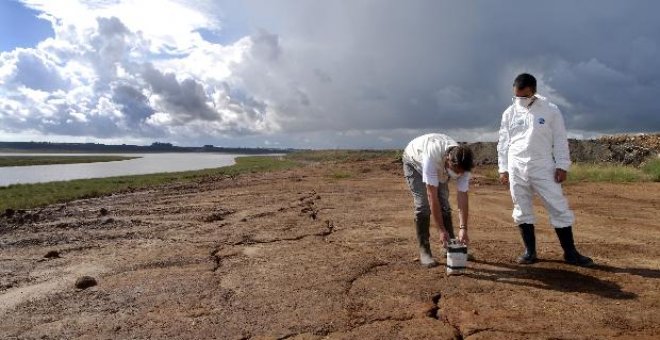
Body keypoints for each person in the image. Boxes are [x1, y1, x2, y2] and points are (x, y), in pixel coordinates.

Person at [497, 73, 594, 266]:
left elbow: (559, 139)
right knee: (521, 208)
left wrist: (562, 165)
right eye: (516, 96)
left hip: (542, 166)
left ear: (533, 91)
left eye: (523, 96)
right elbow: (503, 142)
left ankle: (570, 253)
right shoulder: (509, 112)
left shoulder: (550, 110)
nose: (520, 100)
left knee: (558, 206)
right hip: (517, 166)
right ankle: (530, 252)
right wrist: (503, 168)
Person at [402, 133, 474, 268]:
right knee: (422, 206)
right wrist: (441, 230)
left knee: (445, 204)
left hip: (439, 166)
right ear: (448, 160)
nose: (458, 175)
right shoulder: (432, 158)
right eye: (455, 171)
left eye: (461, 173)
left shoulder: (464, 165)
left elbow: (462, 196)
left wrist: (463, 228)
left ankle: (451, 247)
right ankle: (425, 250)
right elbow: (432, 197)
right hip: (414, 161)